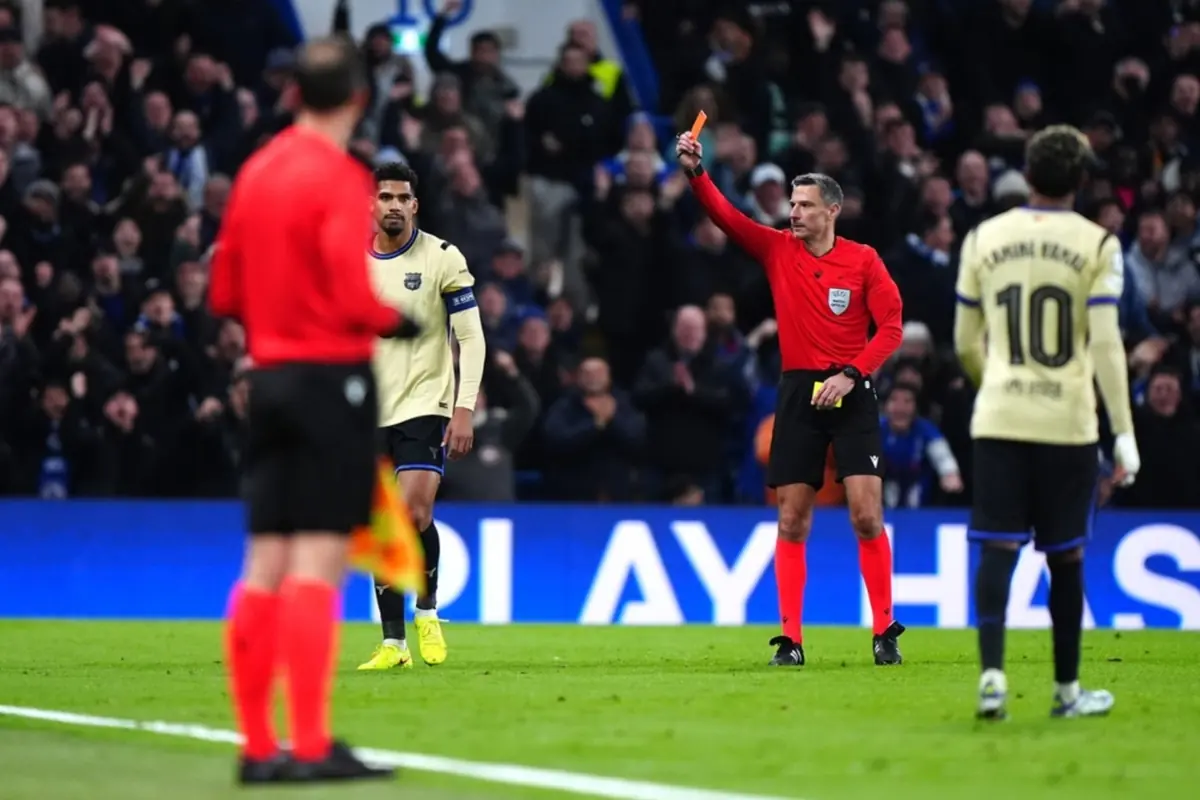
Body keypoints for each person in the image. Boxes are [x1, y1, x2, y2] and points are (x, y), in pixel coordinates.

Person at [208, 36, 421, 785]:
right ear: (358, 99)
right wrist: (393, 318)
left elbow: (223, 293)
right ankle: (309, 742)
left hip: (266, 381)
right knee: (319, 562)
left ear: (294, 93)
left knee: (263, 559)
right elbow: (348, 289)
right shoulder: (338, 177)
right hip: (332, 383)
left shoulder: (255, 173)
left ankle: (258, 748)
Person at [675, 131, 906, 668]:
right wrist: (695, 174)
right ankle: (791, 639)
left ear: (832, 210)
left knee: (867, 516)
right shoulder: (778, 248)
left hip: (853, 390)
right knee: (791, 520)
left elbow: (891, 327)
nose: (793, 213)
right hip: (799, 393)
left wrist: (852, 374)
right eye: (792, 204)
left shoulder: (865, 261)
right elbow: (729, 219)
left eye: (804, 205)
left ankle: (884, 631)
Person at [953, 125, 1140, 720]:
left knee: (998, 548)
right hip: (1068, 423)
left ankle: (991, 678)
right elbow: (1107, 345)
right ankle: (1065, 692)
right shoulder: (1099, 244)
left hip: (1001, 417)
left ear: (1027, 176)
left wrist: (1000, 386)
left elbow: (963, 344)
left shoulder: (983, 237)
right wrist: (1125, 433)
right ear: (1081, 181)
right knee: (1066, 557)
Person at [357, 161, 486, 671]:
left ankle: (427, 610)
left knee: (412, 514)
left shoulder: (442, 258)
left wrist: (465, 408)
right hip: (367, 409)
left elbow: (471, 338)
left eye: (400, 198)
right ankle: (393, 645)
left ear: (415, 205)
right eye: (383, 197)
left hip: (424, 404)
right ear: (371, 204)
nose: (392, 205)